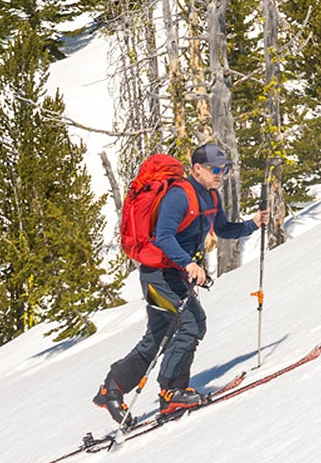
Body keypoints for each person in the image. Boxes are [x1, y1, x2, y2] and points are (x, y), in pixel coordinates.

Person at [93, 142, 267, 422]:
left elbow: (222, 229)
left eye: (224, 169)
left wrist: (253, 224)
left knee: (158, 336)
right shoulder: (179, 196)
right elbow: (163, 237)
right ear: (197, 169)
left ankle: (112, 388)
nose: (220, 175)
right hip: (158, 275)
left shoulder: (211, 197)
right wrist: (189, 263)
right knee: (192, 323)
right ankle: (172, 392)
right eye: (216, 169)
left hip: (173, 273)